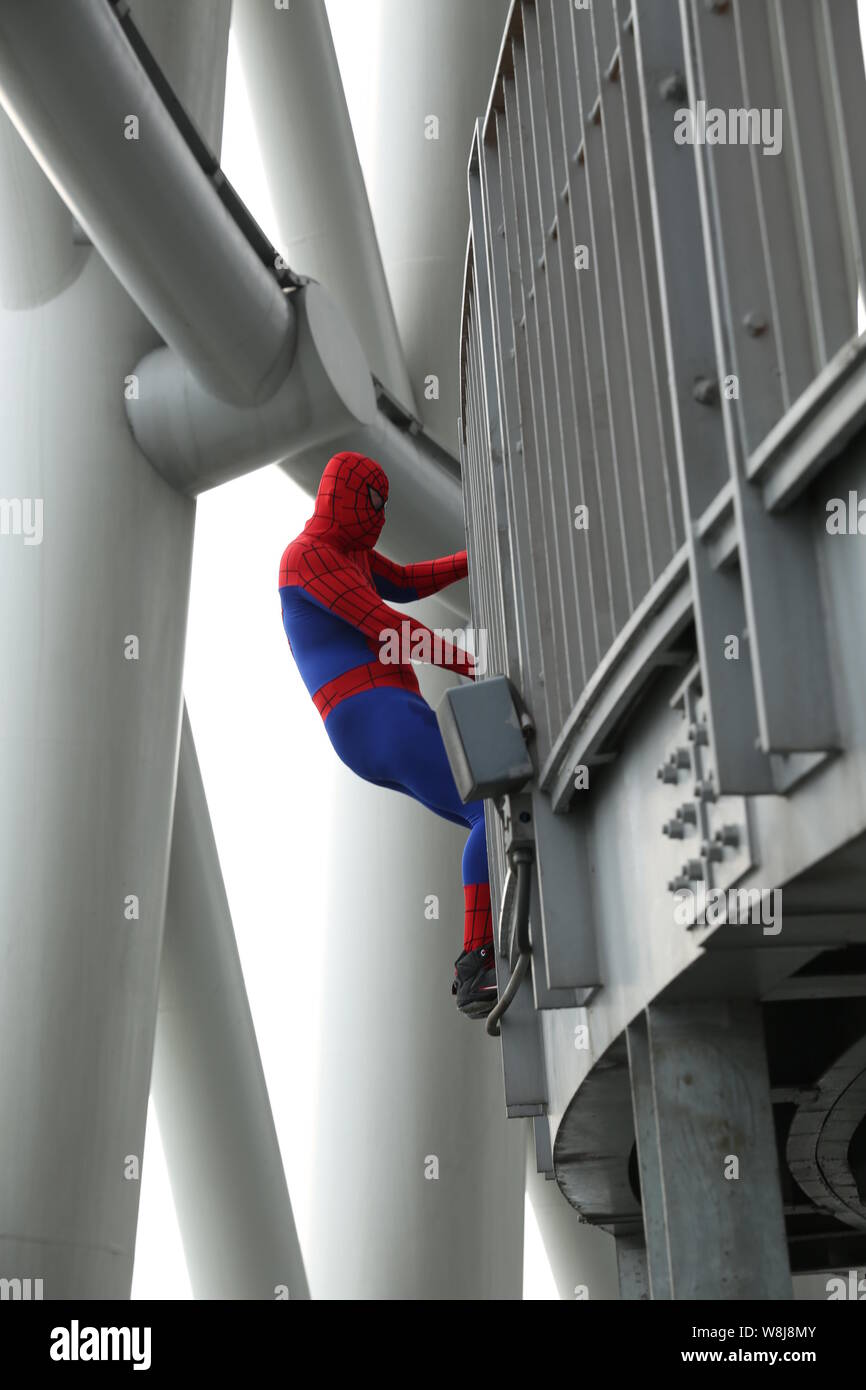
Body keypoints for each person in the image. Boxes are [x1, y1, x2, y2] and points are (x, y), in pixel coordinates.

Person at [278, 450, 497, 1018]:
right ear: (340, 495)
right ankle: (477, 961)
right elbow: (387, 624)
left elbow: (403, 582)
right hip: (372, 713)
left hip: (382, 716)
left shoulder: (349, 554)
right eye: (372, 502)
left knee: (491, 812)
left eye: (385, 505)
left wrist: (478, 556)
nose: (379, 516)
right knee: (490, 808)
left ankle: (487, 946)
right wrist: (473, 663)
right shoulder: (307, 558)